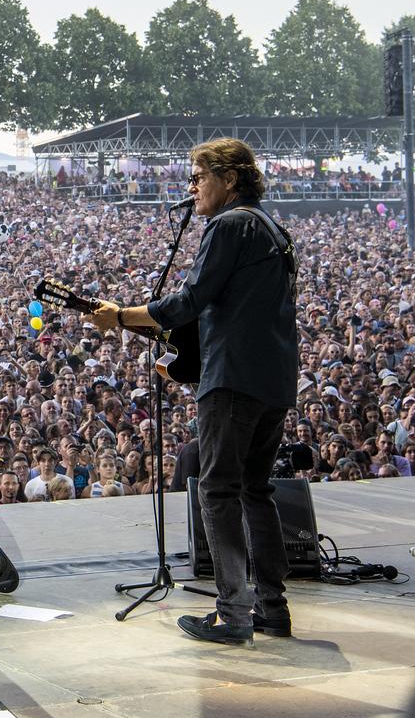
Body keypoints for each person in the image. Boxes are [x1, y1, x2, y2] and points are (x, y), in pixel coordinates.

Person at [92, 138, 298, 646]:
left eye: (198, 175)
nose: (191, 186)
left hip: (233, 379)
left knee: (218, 489)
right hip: (275, 380)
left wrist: (121, 316)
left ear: (229, 180)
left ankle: (233, 613)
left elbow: (192, 299)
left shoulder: (228, 224)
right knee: (256, 489)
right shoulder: (275, 229)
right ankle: (272, 607)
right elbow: (238, 309)